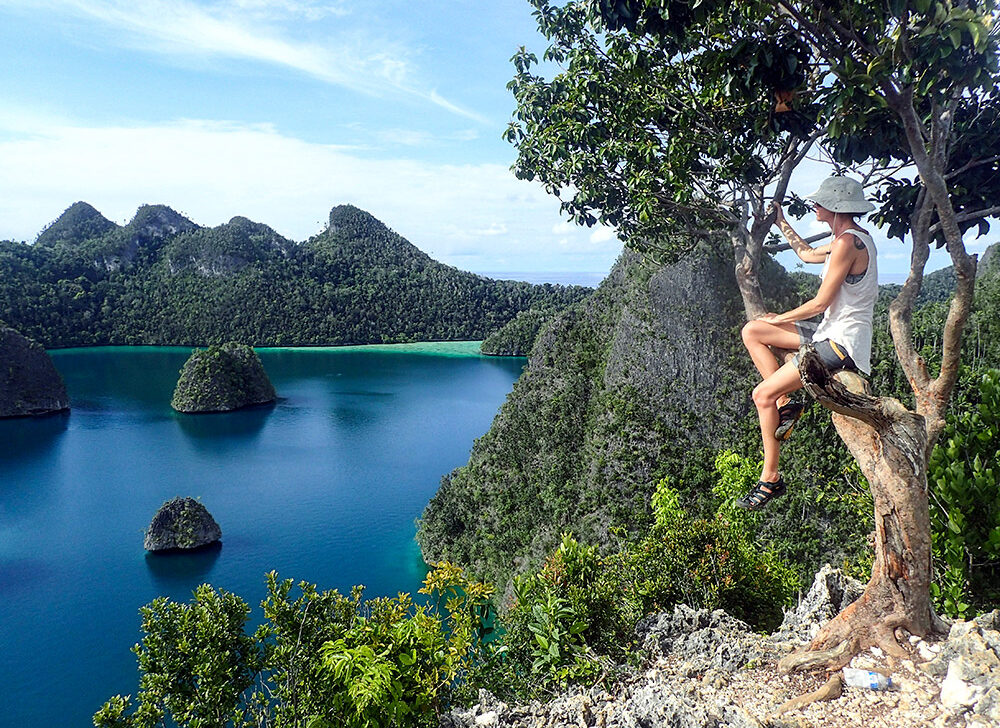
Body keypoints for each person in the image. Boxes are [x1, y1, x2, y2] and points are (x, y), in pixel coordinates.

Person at [736, 176, 878, 510]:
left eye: (819, 201)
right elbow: (807, 254)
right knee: (752, 331)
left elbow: (819, 303)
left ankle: (770, 478)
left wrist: (779, 318)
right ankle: (787, 403)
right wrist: (781, 221)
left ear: (836, 207)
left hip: (843, 345)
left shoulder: (847, 244)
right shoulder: (848, 238)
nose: (814, 206)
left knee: (761, 394)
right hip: (825, 333)